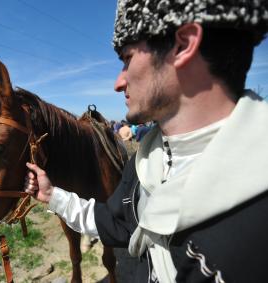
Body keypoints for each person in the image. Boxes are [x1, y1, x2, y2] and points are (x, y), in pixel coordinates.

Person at [24, 1, 268, 282]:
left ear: (183, 45)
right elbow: (118, 223)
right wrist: (51, 195)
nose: (118, 82)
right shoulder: (146, 164)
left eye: (127, 59)